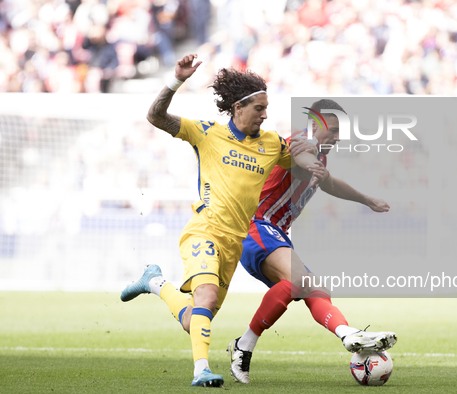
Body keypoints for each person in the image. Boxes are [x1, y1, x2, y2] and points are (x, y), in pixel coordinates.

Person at [121, 53, 320, 387]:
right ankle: (201, 370)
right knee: (207, 298)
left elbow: (299, 161)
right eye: (259, 108)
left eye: (266, 107)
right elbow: (155, 116)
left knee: (196, 317)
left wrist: (312, 152)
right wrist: (176, 80)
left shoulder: (271, 144)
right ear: (238, 107)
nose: (265, 114)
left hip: (234, 242)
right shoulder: (206, 133)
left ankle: (154, 282)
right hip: (204, 231)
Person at [227, 99, 397, 384]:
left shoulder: (321, 158)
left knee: (312, 289)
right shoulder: (299, 140)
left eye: (340, 132)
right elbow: (300, 155)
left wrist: (366, 200)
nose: (337, 137)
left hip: (275, 235)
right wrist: (312, 165)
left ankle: (245, 346)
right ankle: (348, 335)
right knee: (301, 281)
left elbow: (329, 182)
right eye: (332, 129)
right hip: (256, 225)